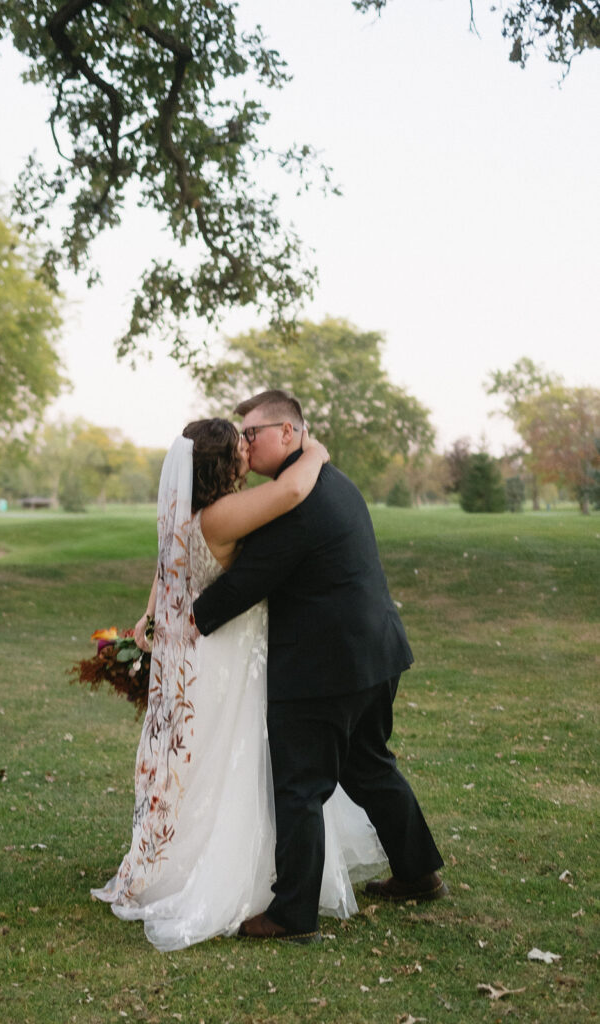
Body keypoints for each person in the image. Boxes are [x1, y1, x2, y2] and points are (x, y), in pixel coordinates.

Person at [91, 418, 388, 951]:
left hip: (200, 653)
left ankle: (174, 861)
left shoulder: (187, 512)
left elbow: (168, 568)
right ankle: (229, 874)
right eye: (239, 448)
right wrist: (314, 449)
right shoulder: (225, 513)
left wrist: (150, 613)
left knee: (201, 760)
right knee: (237, 761)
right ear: (221, 466)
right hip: (231, 652)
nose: (248, 452)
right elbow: (294, 490)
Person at [193, 391, 446, 944]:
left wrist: (188, 623)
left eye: (252, 433)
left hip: (324, 668)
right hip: (375, 653)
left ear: (288, 433)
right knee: (370, 766)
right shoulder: (328, 480)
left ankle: (292, 916)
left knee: (300, 788)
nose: (245, 442)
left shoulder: (297, 502)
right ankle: (418, 870)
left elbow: (246, 582)